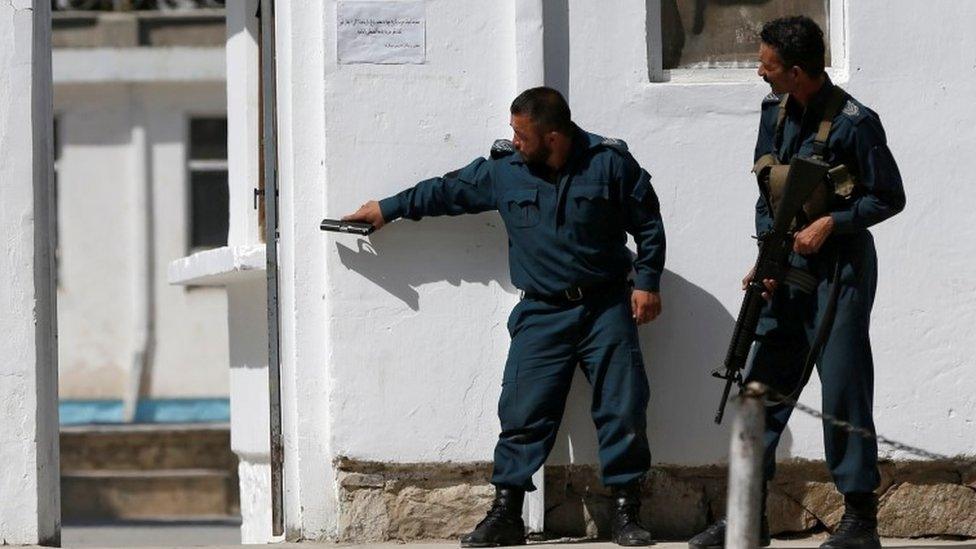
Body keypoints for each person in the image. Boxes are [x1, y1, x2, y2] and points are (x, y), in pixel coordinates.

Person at [343, 87, 666, 547]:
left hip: (605, 307)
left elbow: (649, 224)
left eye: (522, 133)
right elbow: (447, 191)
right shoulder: (505, 171)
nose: (514, 141)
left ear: (553, 136)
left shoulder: (609, 164)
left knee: (622, 407)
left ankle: (625, 513)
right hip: (543, 311)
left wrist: (648, 283)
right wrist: (387, 209)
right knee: (522, 411)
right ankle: (507, 512)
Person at [688, 16, 905, 549]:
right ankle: (747, 516)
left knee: (843, 388)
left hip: (840, 271)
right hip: (785, 266)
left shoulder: (856, 122)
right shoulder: (774, 112)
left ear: (799, 71)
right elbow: (769, 193)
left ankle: (859, 521)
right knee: (760, 386)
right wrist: (766, 257)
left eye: (768, 65)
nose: (760, 73)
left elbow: (889, 196)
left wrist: (834, 221)